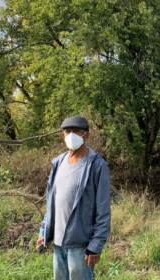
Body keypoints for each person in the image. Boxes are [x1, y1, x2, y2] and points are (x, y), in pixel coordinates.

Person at [36, 116, 111, 280]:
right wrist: (44, 231)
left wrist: (95, 246)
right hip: (58, 242)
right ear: (62, 135)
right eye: (67, 131)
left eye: (76, 131)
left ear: (86, 135)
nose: (71, 135)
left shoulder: (97, 166)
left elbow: (103, 211)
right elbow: (51, 203)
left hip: (81, 244)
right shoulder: (58, 163)